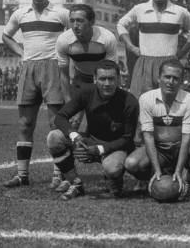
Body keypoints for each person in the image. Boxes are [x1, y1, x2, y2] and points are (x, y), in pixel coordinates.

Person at [2, 0, 70, 188]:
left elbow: (73, 36)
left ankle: (58, 175)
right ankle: (22, 175)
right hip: (29, 69)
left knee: (55, 124)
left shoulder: (61, 14)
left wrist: (66, 58)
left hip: (53, 69)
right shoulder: (20, 14)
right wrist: (21, 52)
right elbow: (6, 36)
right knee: (25, 123)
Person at [46, 60, 139, 200]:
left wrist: (101, 149)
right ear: (95, 79)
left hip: (116, 146)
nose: (107, 83)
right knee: (54, 137)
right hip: (90, 140)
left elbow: (127, 139)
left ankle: (114, 180)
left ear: (119, 79)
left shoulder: (130, 101)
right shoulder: (86, 92)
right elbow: (60, 117)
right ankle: (75, 183)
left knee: (112, 168)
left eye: (111, 79)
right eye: (102, 79)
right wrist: (74, 136)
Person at [53, 4, 118, 188]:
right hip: (80, 82)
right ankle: (63, 175)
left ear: (92, 22)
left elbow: (111, 72)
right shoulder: (64, 40)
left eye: (80, 20)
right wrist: (69, 104)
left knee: (104, 126)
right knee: (69, 126)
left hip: (101, 83)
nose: (75, 25)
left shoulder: (106, 38)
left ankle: (109, 172)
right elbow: (64, 75)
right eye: (72, 20)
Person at [116, 0, 190, 98]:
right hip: (145, 64)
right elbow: (121, 24)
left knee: (170, 105)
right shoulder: (140, 9)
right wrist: (131, 47)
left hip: (170, 64)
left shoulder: (179, 11)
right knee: (140, 104)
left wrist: (183, 52)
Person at [123, 59, 190, 199]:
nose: (170, 81)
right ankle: (154, 176)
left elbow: (187, 138)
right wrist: (157, 170)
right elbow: (148, 136)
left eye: (176, 78)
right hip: (159, 150)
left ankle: (188, 180)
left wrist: (179, 171)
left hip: (180, 148)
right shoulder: (146, 98)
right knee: (131, 163)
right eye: (167, 77)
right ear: (159, 78)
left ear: (181, 81)